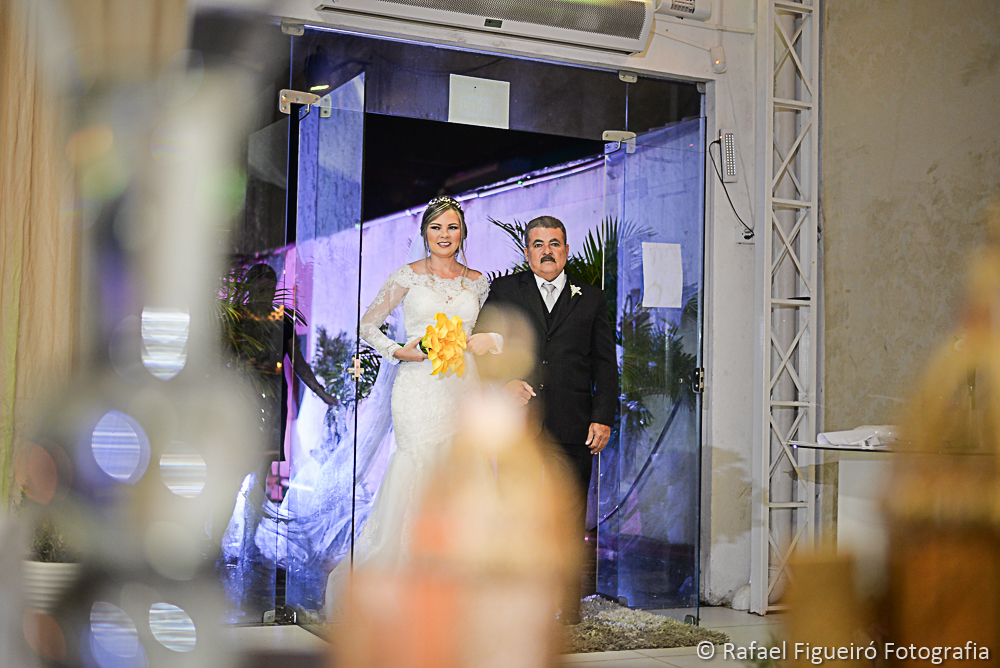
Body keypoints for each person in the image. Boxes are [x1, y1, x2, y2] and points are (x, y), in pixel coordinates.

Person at [324, 196, 501, 615]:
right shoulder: (407, 276)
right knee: (417, 470)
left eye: (452, 227)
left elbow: (493, 332)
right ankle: (406, 588)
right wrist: (397, 351)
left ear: (463, 233)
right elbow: (367, 323)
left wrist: (491, 341)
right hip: (417, 389)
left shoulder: (478, 282)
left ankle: (460, 586)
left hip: (463, 386)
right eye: (437, 227)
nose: (444, 235)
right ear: (425, 232)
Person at [474, 215, 618, 624]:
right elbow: (483, 349)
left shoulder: (590, 298)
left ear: (566, 250)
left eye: (554, 243)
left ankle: (568, 607)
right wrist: (502, 386)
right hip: (520, 427)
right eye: (538, 244)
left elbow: (606, 365)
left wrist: (602, 417)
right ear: (527, 252)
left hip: (575, 425)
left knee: (570, 517)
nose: (547, 251)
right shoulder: (505, 291)